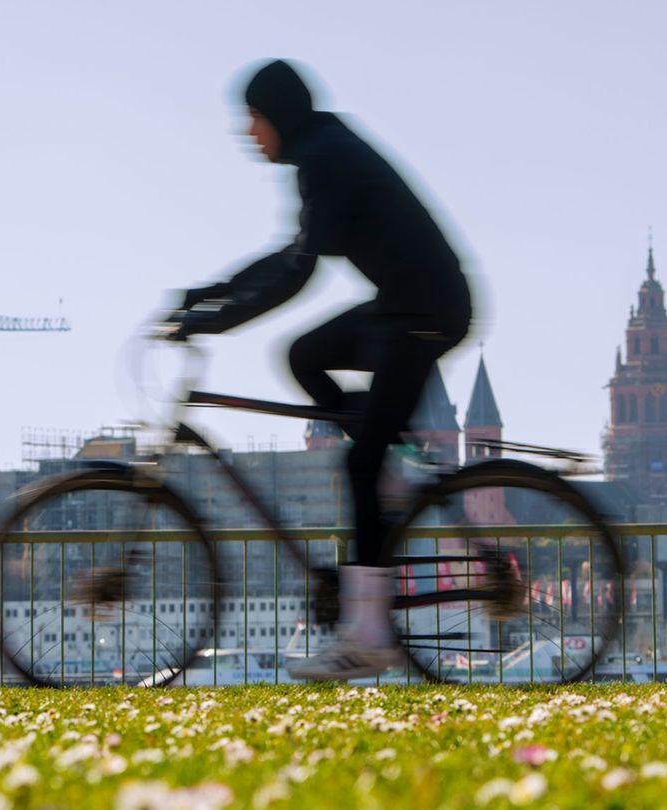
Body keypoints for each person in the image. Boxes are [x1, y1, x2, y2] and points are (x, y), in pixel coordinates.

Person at [167, 59, 472, 680]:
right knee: (303, 356)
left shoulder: (325, 159)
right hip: (403, 305)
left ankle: (367, 637)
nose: (249, 134)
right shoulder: (322, 151)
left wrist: (217, 323)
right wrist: (216, 291)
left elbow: (299, 273)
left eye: (252, 119)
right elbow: (296, 253)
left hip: (425, 312)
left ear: (276, 114)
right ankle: (392, 470)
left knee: (359, 464)